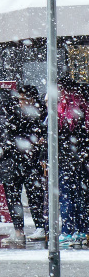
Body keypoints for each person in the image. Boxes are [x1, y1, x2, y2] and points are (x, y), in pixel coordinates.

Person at [0, 84, 47, 245]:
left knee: (20, 197)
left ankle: (22, 230)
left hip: (15, 162)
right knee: (31, 195)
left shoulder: (5, 115)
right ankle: (34, 227)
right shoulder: (21, 114)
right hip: (22, 162)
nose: (21, 102)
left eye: (23, 99)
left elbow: (5, 140)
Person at [58, 79, 89, 248]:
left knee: (67, 195)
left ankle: (68, 231)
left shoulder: (63, 109)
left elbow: (54, 135)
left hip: (67, 159)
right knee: (80, 195)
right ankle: (81, 229)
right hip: (81, 160)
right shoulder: (83, 107)